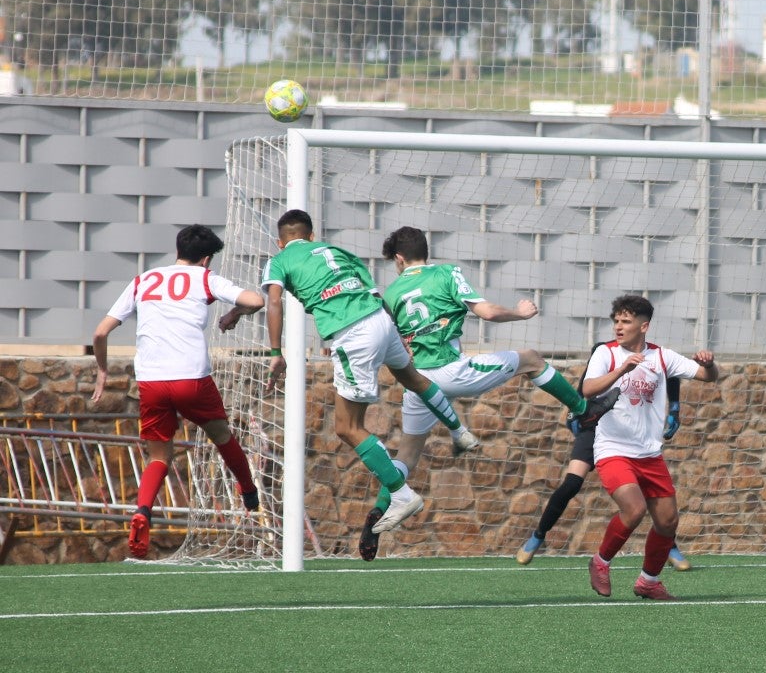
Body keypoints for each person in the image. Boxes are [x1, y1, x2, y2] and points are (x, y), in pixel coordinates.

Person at [357, 226, 620, 559]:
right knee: (532, 360)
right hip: (452, 372)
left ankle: (381, 509)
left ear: (398, 259)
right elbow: (488, 313)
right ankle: (583, 409)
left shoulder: (392, 292)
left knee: (407, 456)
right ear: (425, 250)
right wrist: (520, 313)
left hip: (417, 382)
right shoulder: (446, 274)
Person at [262, 210, 475, 543]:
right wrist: (393, 333)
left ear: (281, 241)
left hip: (354, 333)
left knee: (347, 427)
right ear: (312, 235)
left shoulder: (279, 260)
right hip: (381, 320)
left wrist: (277, 354)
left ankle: (401, 495)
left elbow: (273, 303)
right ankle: (460, 432)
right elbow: (374, 293)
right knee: (412, 378)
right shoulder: (338, 253)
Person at [91, 224, 266, 559]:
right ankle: (248, 493)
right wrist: (234, 312)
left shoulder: (144, 279)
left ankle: (142, 510)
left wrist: (102, 371)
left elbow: (100, 332)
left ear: (177, 251)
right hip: (192, 379)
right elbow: (256, 300)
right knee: (222, 436)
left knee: (158, 456)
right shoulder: (204, 278)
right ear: (205, 258)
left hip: (152, 382)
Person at [583, 295, 719, 601]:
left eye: (626, 321)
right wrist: (621, 370)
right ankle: (600, 562)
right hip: (613, 449)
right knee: (634, 509)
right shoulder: (606, 354)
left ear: (644, 326)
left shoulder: (662, 357)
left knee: (668, 520)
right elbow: (587, 388)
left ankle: (649, 581)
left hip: (649, 454)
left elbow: (707, 377)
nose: (619, 326)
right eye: (616, 320)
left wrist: (709, 366)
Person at [516, 342, 690, 571]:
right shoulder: (593, 379)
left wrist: (674, 408)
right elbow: (574, 411)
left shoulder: (640, 365)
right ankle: (538, 535)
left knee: (647, 494)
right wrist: (576, 423)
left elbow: (669, 371)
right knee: (571, 484)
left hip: (627, 437)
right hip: (594, 434)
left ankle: (670, 546)